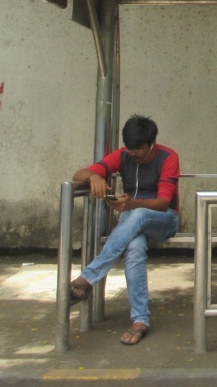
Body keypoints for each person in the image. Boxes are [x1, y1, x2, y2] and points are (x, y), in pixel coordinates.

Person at [69, 115, 180, 345]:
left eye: (138, 149)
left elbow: (163, 202)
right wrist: (94, 177)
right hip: (132, 220)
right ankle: (140, 320)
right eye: (130, 149)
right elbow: (78, 174)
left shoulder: (168, 157)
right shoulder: (122, 155)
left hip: (164, 220)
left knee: (137, 215)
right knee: (135, 247)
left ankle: (89, 276)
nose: (133, 154)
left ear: (152, 144)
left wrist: (132, 204)